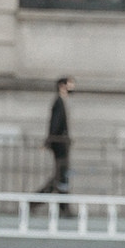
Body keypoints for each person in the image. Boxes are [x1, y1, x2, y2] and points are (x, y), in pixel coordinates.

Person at [33, 77, 75, 216]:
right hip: (59, 146)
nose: (72, 87)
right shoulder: (58, 102)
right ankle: (33, 202)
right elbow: (55, 125)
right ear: (62, 86)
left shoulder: (61, 102)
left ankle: (64, 208)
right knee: (59, 177)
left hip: (62, 145)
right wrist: (49, 141)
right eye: (70, 84)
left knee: (61, 177)